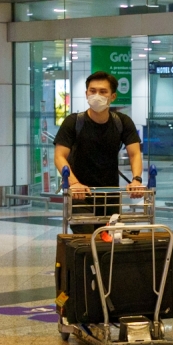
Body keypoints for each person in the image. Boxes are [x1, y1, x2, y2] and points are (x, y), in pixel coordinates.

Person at [54, 71, 145, 232]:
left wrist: (136, 179)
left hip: (110, 194)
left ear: (113, 96)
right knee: (86, 237)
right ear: (86, 94)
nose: (97, 95)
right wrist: (74, 183)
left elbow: (135, 154)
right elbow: (60, 156)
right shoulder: (73, 122)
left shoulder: (122, 122)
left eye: (103, 92)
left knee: (109, 238)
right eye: (92, 91)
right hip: (80, 194)